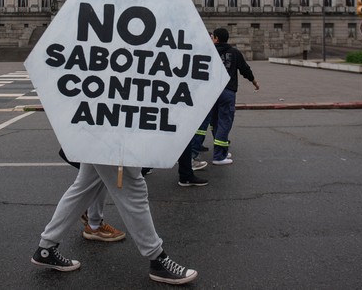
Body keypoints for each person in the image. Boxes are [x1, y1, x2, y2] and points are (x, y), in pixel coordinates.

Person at [31, 163, 198, 284]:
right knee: (133, 190)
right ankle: (157, 258)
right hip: (111, 130)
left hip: (98, 128)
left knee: (85, 186)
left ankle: (46, 247)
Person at [210, 28, 259, 165]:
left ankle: (222, 150)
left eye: (213, 37)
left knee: (215, 121)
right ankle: (219, 156)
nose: (212, 39)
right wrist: (254, 81)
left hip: (211, 92)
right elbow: (245, 69)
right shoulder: (234, 53)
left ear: (217, 39)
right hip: (227, 91)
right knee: (225, 121)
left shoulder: (210, 52)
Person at [57, 148, 126, 241]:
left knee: (96, 179)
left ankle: (93, 222)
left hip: (95, 143)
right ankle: (94, 225)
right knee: (92, 181)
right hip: (98, 144)